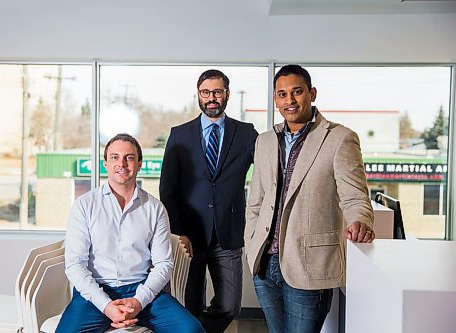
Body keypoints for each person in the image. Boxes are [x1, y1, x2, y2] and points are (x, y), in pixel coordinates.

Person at [244, 64, 375, 333]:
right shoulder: (265, 141)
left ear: (312, 93)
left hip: (309, 266)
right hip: (265, 265)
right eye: (282, 94)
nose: (289, 101)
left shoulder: (340, 138)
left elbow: (354, 196)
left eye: (297, 92)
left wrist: (361, 219)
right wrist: (250, 242)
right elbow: (255, 201)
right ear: (275, 99)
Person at [56, 133, 204, 333]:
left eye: (129, 157)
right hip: (95, 294)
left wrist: (138, 302)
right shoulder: (84, 206)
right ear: (105, 163)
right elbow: (75, 265)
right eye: (115, 157)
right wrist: (107, 306)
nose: (122, 164)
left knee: (191, 330)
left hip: (142, 291)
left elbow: (163, 264)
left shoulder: (155, 208)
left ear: (139, 163)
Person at [159, 69, 258, 333]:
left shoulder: (246, 134)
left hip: (228, 234)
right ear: (198, 95)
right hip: (188, 237)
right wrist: (177, 232)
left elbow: (269, 172)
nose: (211, 98)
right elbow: (168, 188)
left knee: (229, 306)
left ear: (227, 93)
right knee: (189, 305)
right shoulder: (180, 135)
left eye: (217, 92)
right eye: (206, 92)